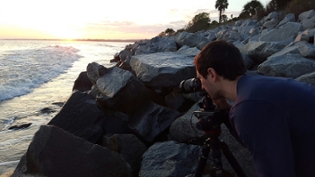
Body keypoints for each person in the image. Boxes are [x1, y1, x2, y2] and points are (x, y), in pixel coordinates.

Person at [194, 40, 315, 177]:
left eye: (200, 79)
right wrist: (224, 108)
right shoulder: (257, 88)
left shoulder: (249, 107)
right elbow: (259, 142)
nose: (202, 87)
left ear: (211, 74)